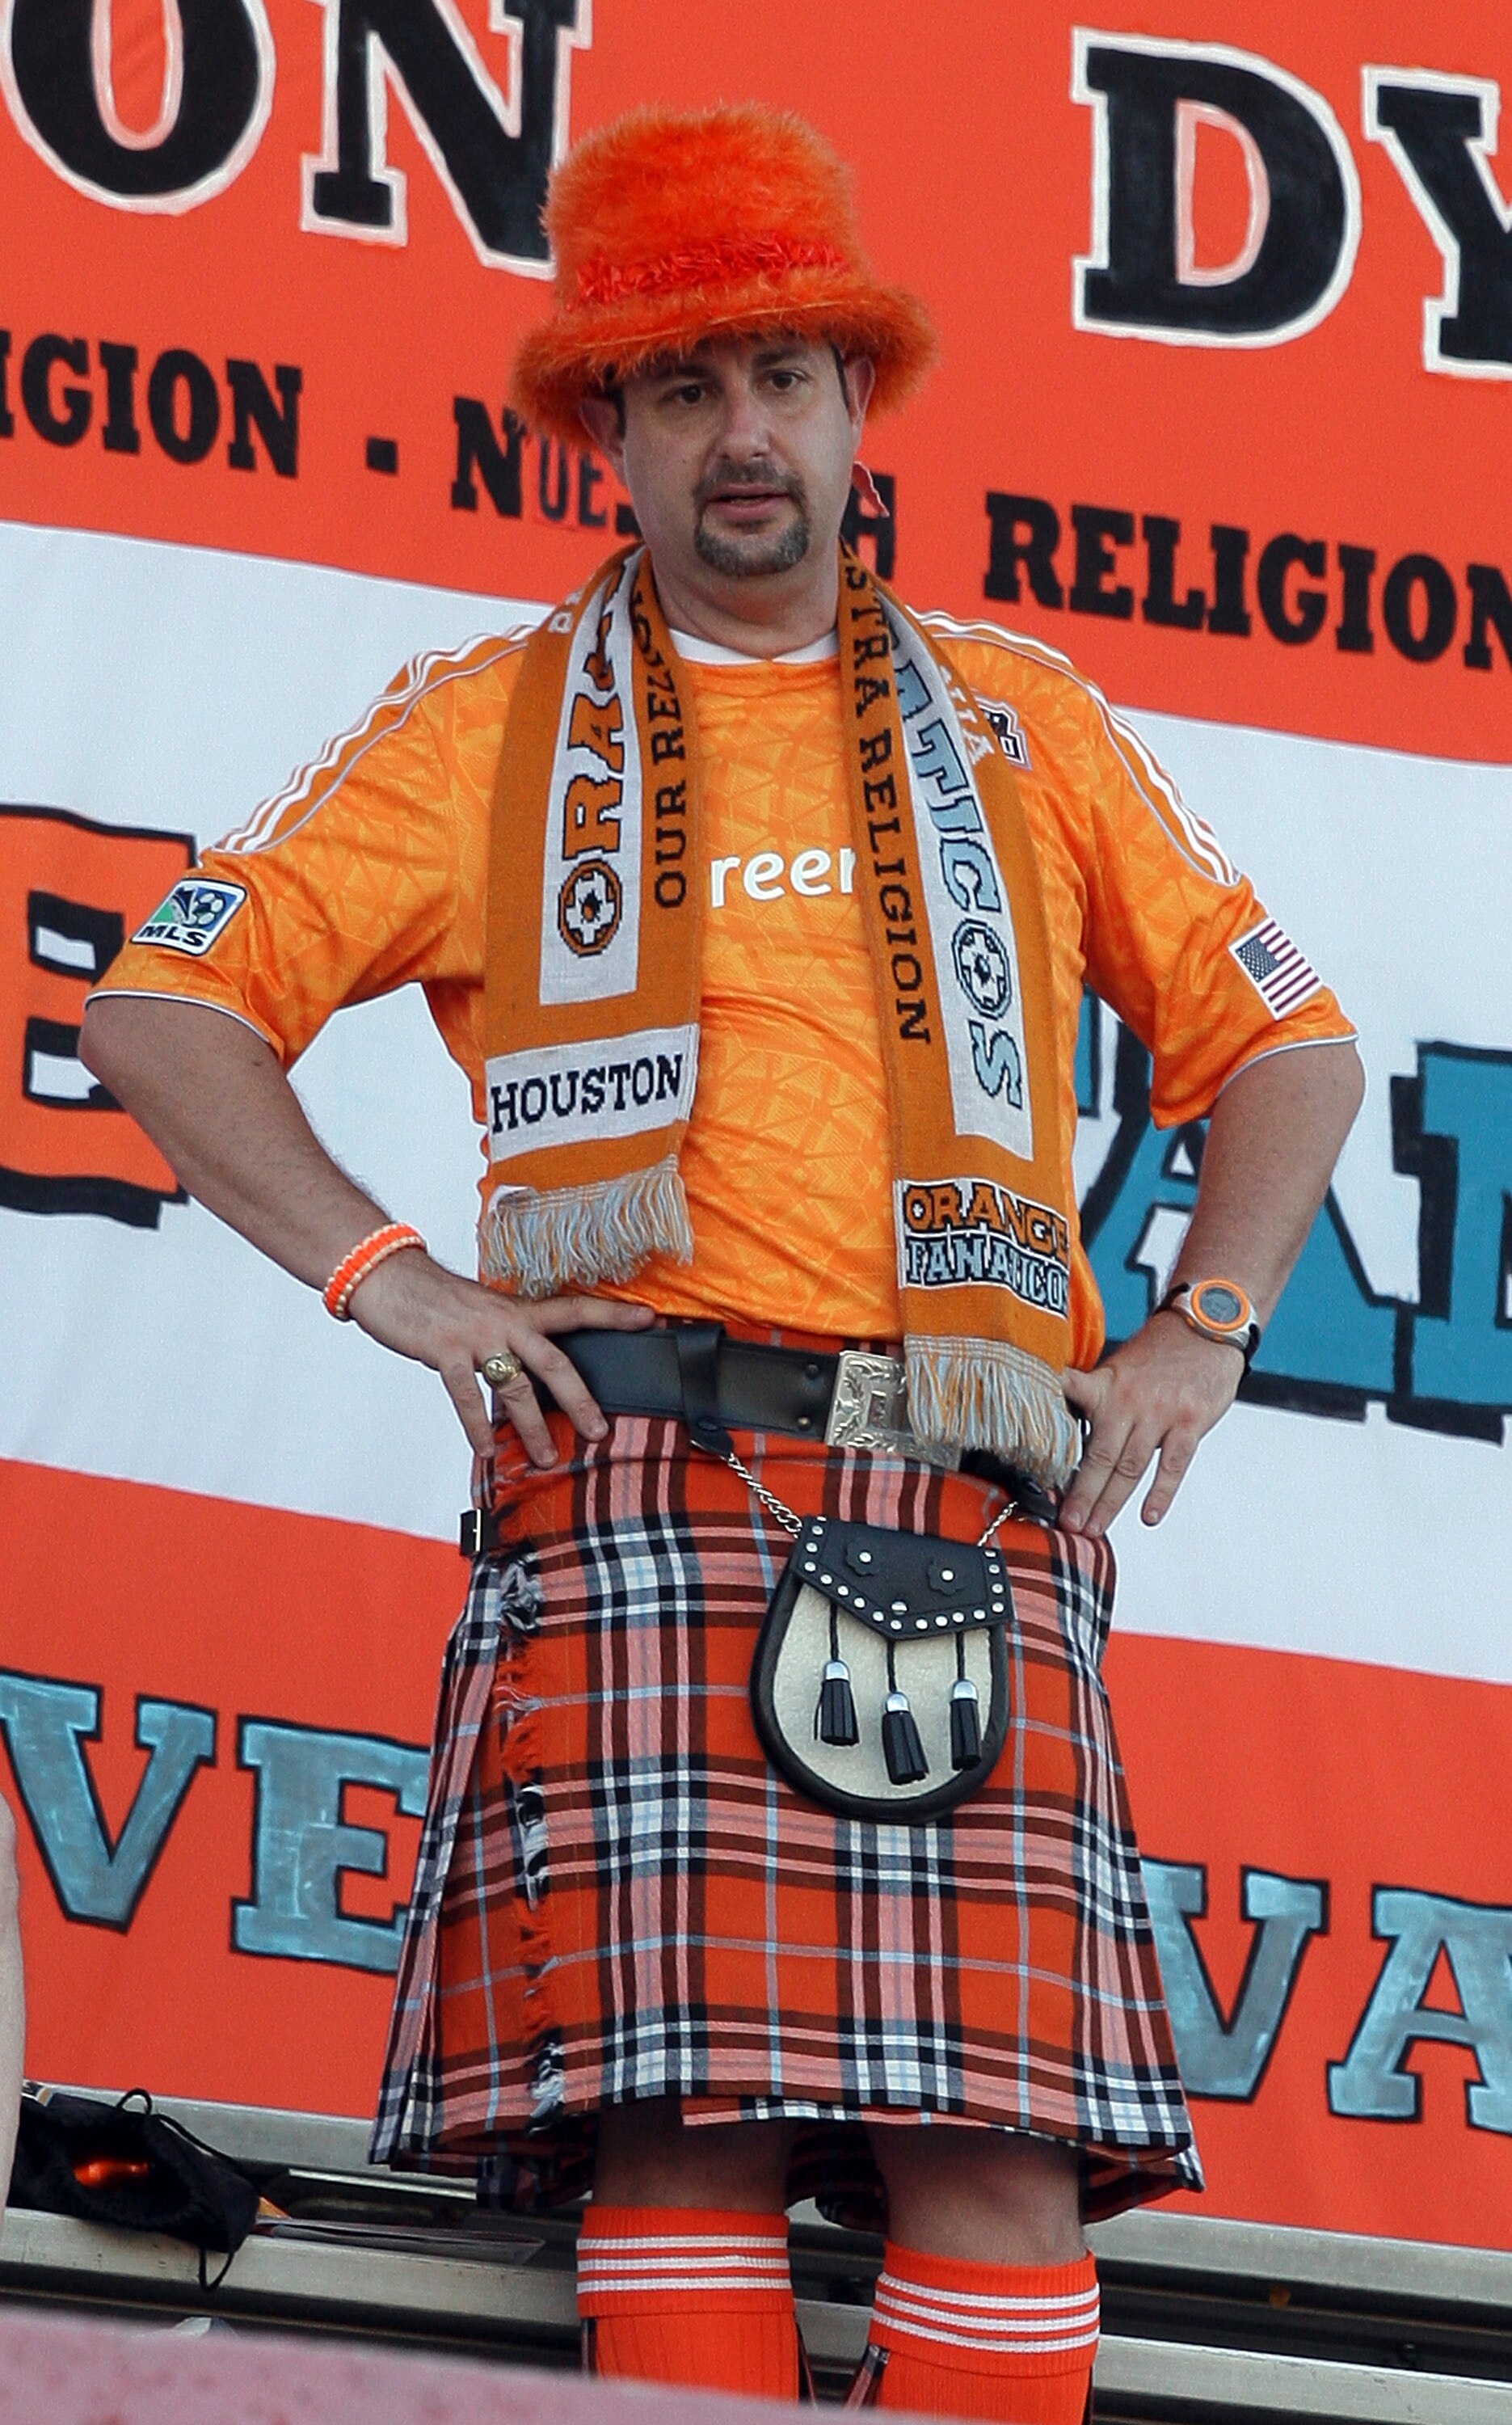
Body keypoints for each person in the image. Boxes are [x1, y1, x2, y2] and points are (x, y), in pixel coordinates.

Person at [82, 104, 1362, 2422]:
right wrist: (387, 1272)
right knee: (683, 2134)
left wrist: (1202, 1325)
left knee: (1000, 2169)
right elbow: (162, 1003)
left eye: (783, 375)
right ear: (611, 436)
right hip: (642, 1486)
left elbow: (1288, 1046)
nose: (742, 435)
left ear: (863, 409)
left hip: (969, 1487)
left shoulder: (1024, 719)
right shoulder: (484, 729)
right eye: (681, 390)